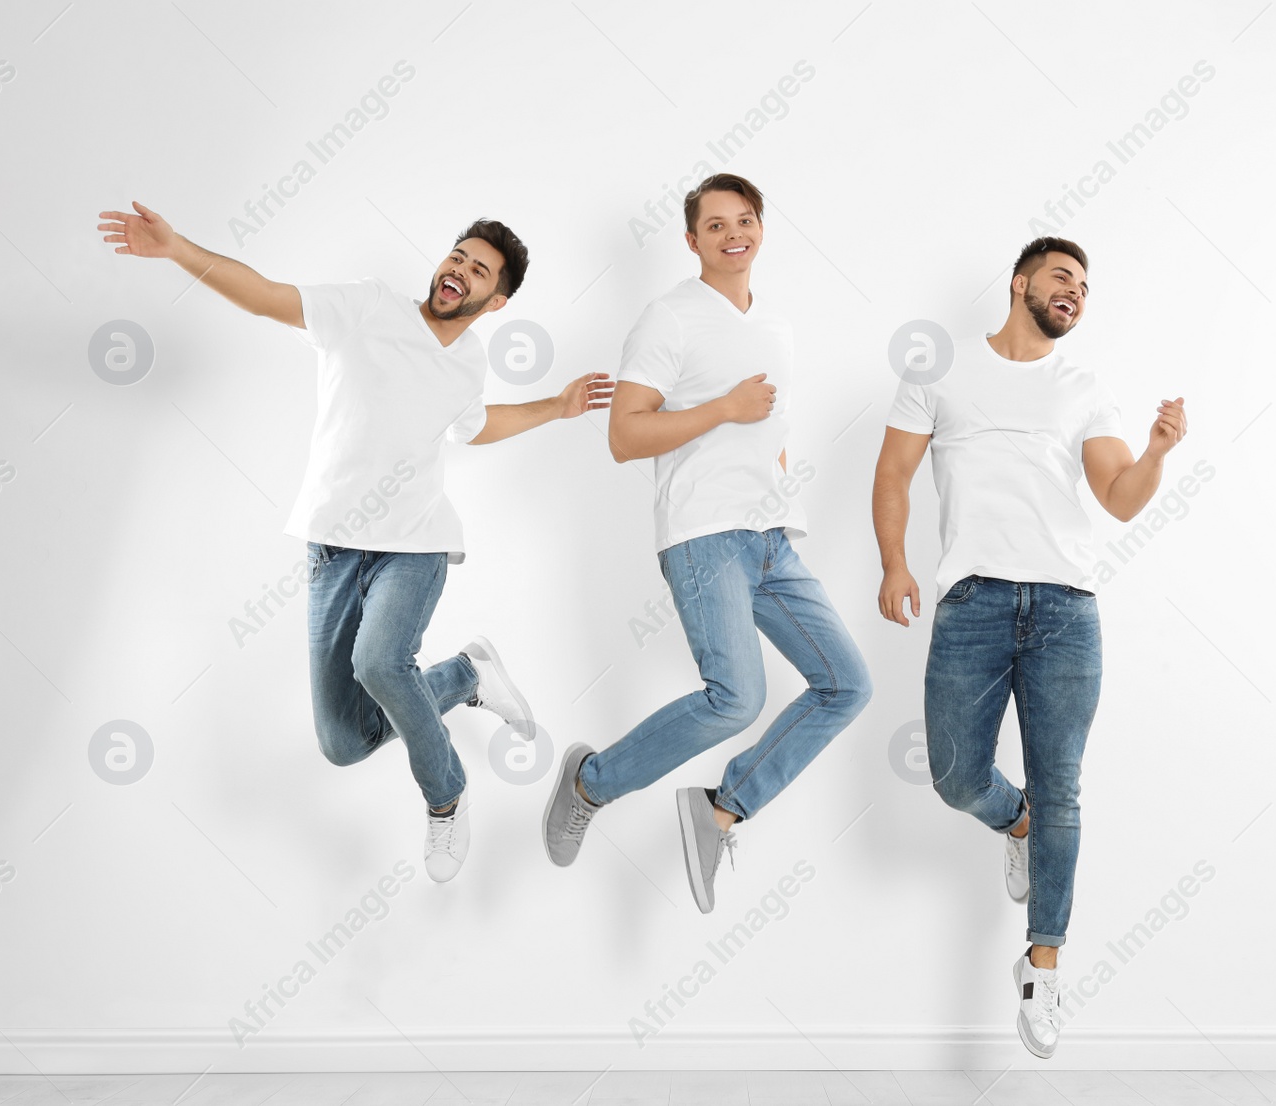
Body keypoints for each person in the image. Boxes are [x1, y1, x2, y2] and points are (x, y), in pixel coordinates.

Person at [97, 201, 612, 883]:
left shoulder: (470, 361)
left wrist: (557, 406)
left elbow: (471, 425)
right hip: (333, 549)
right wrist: (177, 249)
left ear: (497, 300)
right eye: (458, 255)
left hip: (415, 545)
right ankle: (466, 675)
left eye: (479, 269)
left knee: (379, 663)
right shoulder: (369, 308)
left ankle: (446, 795)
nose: (458, 269)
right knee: (342, 743)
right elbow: (264, 298)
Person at [871, 237, 1186, 1057]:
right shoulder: (939, 371)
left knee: (1065, 789)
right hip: (971, 600)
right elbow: (895, 475)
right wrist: (895, 562)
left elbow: (1117, 497)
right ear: (1020, 284)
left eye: (1084, 286)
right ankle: (1016, 826)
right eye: (1061, 277)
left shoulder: (1082, 387)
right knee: (953, 775)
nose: (1074, 292)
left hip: (1064, 607)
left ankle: (1043, 968)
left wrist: (1153, 454)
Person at [541, 174, 872, 913]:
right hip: (702, 533)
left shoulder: (775, 328)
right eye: (715, 225)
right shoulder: (670, 318)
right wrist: (723, 408)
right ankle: (591, 782)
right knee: (737, 699)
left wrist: (782, 509)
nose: (733, 234)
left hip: (770, 541)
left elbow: (772, 434)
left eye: (745, 220)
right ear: (692, 241)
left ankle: (722, 808)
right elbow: (626, 435)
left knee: (847, 685)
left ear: (761, 230)